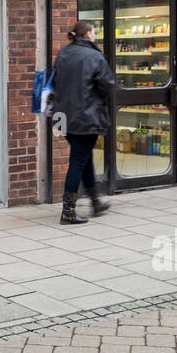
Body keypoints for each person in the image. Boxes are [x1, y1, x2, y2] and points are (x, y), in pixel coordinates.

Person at [50, 20, 113, 224]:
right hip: (86, 117)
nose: (94, 36)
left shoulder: (64, 54)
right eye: (94, 32)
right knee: (78, 161)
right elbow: (107, 86)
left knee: (83, 157)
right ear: (87, 35)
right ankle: (68, 212)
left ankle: (96, 202)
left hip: (65, 117)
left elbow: (55, 82)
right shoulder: (94, 56)